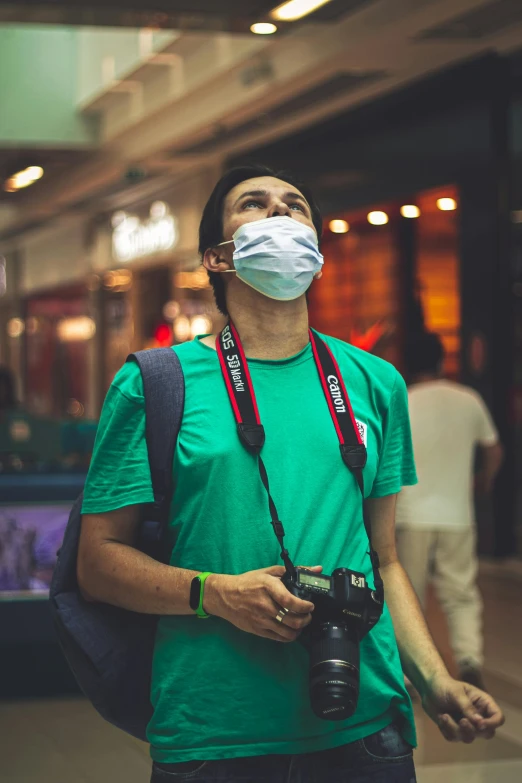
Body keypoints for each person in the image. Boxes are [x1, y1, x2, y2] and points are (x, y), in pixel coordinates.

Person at [78, 166, 504, 783]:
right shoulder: (154, 384)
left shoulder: (374, 383)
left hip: (365, 727)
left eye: (296, 207)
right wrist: (216, 594)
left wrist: (436, 681)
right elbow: (97, 562)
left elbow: (383, 558)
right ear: (218, 257)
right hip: (214, 733)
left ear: (316, 253)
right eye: (255, 204)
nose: (281, 214)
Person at [396, 332, 503, 692]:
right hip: (458, 514)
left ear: (408, 365)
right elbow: (494, 450)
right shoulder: (468, 399)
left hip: (409, 515)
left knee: (409, 595)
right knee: (460, 593)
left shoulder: (404, 401)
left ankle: (413, 675)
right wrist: (482, 482)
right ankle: (469, 661)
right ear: (442, 361)